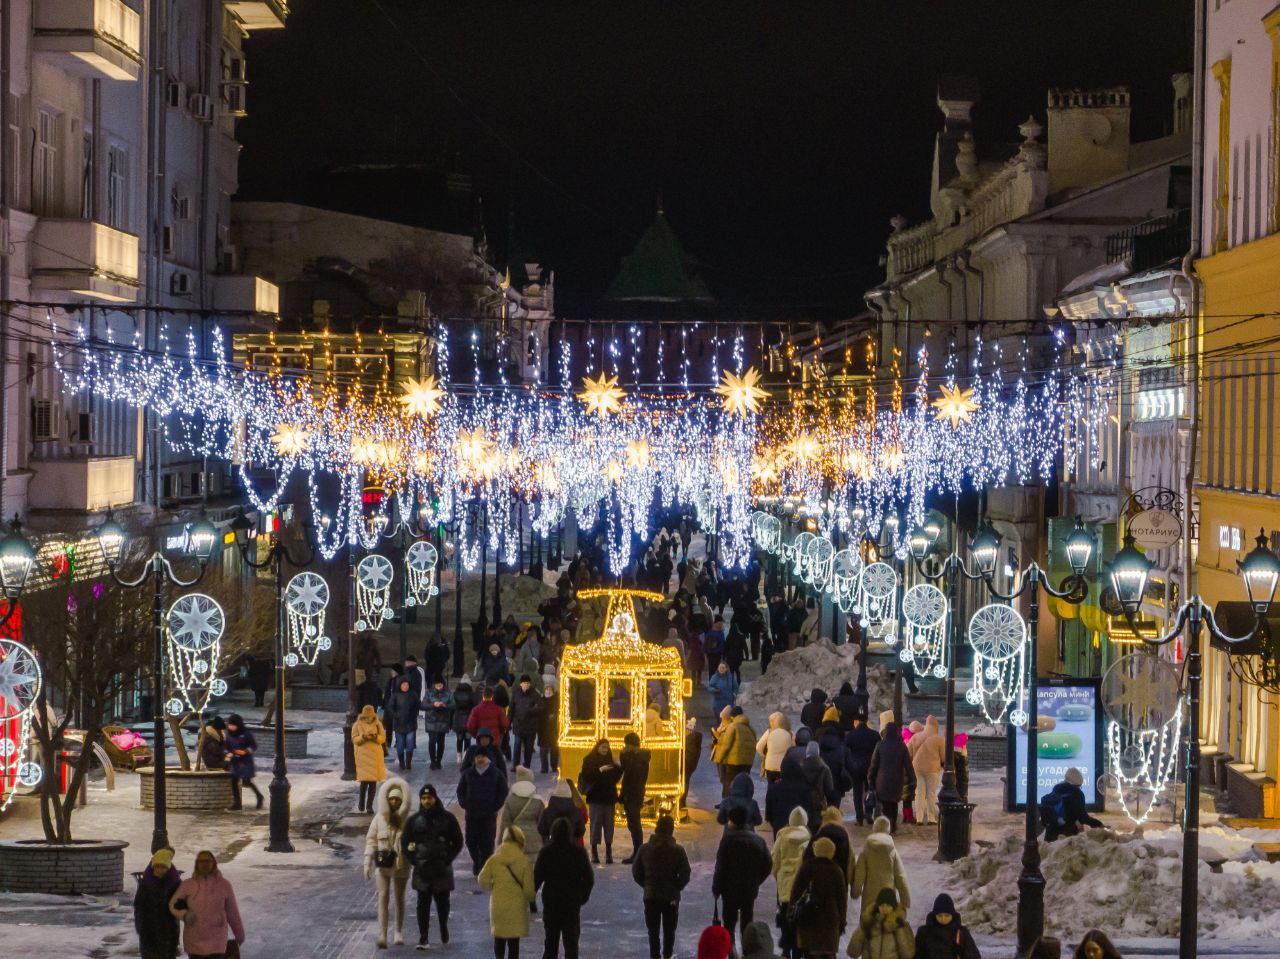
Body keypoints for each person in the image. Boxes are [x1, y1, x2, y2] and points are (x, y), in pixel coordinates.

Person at [401, 783, 463, 951]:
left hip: (441, 869)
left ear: (435, 798)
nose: (426, 801)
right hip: (422, 870)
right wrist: (414, 860)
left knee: (443, 903)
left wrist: (448, 859)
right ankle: (423, 937)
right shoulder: (414, 821)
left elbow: (458, 841)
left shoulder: (447, 818)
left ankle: (443, 925)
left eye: (429, 798)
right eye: (423, 798)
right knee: (422, 905)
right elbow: (405, 843)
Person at [711, 805, 772, 950]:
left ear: (731, 821)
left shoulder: (727, 841)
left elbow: (720, 867)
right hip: (749, 889)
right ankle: (747, 950)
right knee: (747, 920)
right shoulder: (758, 841)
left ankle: (731, 950)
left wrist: (717, 888)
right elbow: (768, 864)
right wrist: (757, 881)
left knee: (729, 923)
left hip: (729, 889)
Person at [631, 813, 691, 959]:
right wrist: (677, 886)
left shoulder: (644, 849)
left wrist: (647, 885)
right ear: (671, 830)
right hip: (671, 896)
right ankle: (667, 955)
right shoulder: (678, 850)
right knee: (670, 930)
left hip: (651, 895)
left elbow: (636, 872)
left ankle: (655, 955)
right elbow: (685, 873)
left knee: (653, 931)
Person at [363, 777, 413, 948]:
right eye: (391, 798)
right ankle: (382, 933)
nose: (394, 802)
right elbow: (371, 840)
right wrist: (367, 861)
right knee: (383, 897)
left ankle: (398, 931)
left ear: (402, 800)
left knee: (399, 898)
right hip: (383, 866)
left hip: (402, 865)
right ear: (386, 799)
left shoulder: (408, 820)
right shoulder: (379, 819)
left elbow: (415, 841)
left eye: (397, 799)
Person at [535, 816, 594, 959]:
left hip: (551, 902)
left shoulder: (546, 852)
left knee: (550, 943)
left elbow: (537, 878)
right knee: (571, 944)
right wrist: (582, 898)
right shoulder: (578, 852)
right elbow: (589, 879)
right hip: (571, 904)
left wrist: (531, 897)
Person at [168, 850, 244, 959]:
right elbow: (173, 904)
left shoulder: (224, 885)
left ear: (214, 863)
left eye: (208, 861)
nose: (205, 864)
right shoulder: (187, 885)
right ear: (197, 864)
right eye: (201, 861)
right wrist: (184, 915)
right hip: (194, 941)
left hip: (217, 942)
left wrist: (239, 934)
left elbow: (232, 912)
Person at [478, 826, 537, 959]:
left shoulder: (494, 859)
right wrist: (531, 900)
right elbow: (529, 890)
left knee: (499, 939)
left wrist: (492, 887)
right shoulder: (523, 861)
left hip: (498, 905)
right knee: (514, 943)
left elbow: (482, 879)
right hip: (517, 907)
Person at [789, 835, 848, 959]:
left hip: (809, 921)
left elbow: (795, 893)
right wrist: (842, 922)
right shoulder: (837, 871)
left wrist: (792, 914)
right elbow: (842, 901)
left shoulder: (806, 867)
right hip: (830, 923)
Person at [458, 748, 510, 874]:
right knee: (471, 841)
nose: (480, 759)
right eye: (477, 757)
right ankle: (477, 861)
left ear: (488, 758)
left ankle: (485, 867)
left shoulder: (495, 773)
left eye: (483, 757)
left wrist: (495, 806)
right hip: (472, 814)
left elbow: (503, 791)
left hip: (488, 815)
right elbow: (461, 790)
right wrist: (464, 803)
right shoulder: (468, 773)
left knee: (487, 842)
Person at [851, 816, 910, 923]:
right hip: (888, 896)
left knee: (869, 924)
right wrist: (905, 899)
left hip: (870, 895)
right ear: (888, 830)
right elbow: (900, 876)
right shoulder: (892, 851)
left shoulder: (866, 850)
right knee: (887, 925)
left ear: (874, 829)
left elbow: (860, 874)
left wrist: (856, 891)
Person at [770, 807, 810, 957]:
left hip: (785, 885)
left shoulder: (782, 837)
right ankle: (798, 951)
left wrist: (779, 877)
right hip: (801, 887)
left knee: (785, 919)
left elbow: (774, 862)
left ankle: (786, 950)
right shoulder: (808, 839)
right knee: (799, 920)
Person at [578, 738, 623, 864]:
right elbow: (586, 776)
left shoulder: (611, 761)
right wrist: (599, 770)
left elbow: (616, 778)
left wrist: (619, 767)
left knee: (609, 825)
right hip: (595, 797)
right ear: (597, 747)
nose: (604, 750)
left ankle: (609, 852)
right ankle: (594, 851)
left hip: (609, 797)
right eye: (602, 747)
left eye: (606, 748)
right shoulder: (589, 760)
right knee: (596, 825)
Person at [134, 848, 181, 959]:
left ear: (168, 868)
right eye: (157, 866)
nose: (159, 870)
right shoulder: (146, 883)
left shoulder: (174, 883)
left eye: (163, 867)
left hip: (168, 931)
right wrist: (139, 925)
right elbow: (139, 905)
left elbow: (180, 906)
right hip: (148, 931)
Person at [868, 721, 914, 832]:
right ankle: (892, 825)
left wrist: (870, 779)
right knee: (893, 804)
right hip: (897, 781)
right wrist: (912, 779)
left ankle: (887, 826)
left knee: (885, 804)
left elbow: (874, 765)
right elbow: (908, 765)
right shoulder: (902, 746)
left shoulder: (880, 745)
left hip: (882, 781)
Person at [498, 766, 546, 867]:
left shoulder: (510, 800)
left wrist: (500, 845)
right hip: (535, 840)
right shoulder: (538, 801)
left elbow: (505, 825)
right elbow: (543, 825)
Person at [846, 889, 914, 959]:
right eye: (881, 905)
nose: (884, 908)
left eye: (888, 905)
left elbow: (907, 955)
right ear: (877, 906)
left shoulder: (901, 925)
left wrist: (898, 927)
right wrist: (864, 927)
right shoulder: (869, 924)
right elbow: (852, 952)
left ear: (893, 906)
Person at [1040, 767, 1103, 841]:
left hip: (1050, 835)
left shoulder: (1056, 790)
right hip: (1066, 837)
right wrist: (1099, 824)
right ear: (1079, 783)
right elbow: (1083, 818)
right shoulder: (1076, 793)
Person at [913, 893, 981, 959]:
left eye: (947, 915)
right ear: (934, 915)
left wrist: (961, 952)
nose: (943, 919)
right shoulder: (924, 932)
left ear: (952, 915)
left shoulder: (961, 932)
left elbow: (975, 957)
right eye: (939, 916)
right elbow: (916, 955)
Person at [766, 756, 819, 837]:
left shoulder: (774, 788)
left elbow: (769, 813)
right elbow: (811, 810)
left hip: (780, 827)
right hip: (801, 827)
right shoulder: (806, 788)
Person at [619, 731, 651, 863]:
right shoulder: (641, 757)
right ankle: (638, 851)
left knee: (634, 824)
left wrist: (623, 755)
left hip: (633, 794)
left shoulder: (637, 759)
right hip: (635, 794)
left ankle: (638, 852)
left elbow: (629, 771)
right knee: (633, 823)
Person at [907, 715, 945, 826]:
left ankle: (919, 818)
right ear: (935, 726)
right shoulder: (939, 739)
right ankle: (931, 818)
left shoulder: (915, 737)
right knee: (931, 794)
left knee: (919, 793)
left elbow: (908, 753)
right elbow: (943, 758)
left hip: (917, 768)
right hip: (932, 769)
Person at [711, 706, 756, 797]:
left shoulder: (733, 727)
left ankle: (729, 804)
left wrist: (719, 758)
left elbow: (726, 745)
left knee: (730, 783)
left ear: (733, 716)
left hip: (734, 761)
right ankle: (744, 801)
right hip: (747, 762)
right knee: (744, 783)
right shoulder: (750, 728)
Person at [845, 710, 880, 825]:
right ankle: (869, 813)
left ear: (856, 721)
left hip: (855, 767)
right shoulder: (874, 735)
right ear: (866, 721)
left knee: (857, 792)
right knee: (869, 790)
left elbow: (846, 750)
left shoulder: (850, 735)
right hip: (870, 767)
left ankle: (859, 818)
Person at [352, 704, 389, 812]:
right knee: (365, 782)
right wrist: (363, 737)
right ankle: (362, 804)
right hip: (363, 756)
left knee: (372, 782)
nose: (368, 717)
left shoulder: (378, 724)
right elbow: (354, 739)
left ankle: (368, 806)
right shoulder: (357, 724)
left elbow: (382, 738)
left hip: (374, 755)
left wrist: (375, 737)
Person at [223, 714, 261, 810]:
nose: (231, 727)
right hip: (235, 761)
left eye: (233, 725)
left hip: (245, 761)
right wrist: (227, 753)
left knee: (246, 782)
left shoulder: (246, 733)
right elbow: (226, 747)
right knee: (234, 781)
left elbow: (254, 746)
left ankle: (259, 796)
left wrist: (245, 751)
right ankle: (237, 803)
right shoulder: (228, 734)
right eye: (229, 725)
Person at [509, 675, 544, 771]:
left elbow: (541, 708)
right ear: (521, 684)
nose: (526, 685)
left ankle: (526, 765)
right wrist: (509, 723)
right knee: (517, 746)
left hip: (530, 727)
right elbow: (511, 709)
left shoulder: (535, 694)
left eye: (528, 683)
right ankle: (515, 765)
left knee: (528, 748)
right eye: (524, 683)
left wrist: (531, 710)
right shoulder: (516, 694)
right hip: (518, 725)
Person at [539, 779, 586, 844]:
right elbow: (581, 830)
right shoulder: (576, 811)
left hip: (552, 848)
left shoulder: (547, 812)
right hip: (572, 847)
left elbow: (541, 829)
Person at [388, 677, 421, 770]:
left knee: (410, 744)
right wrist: (396, 715)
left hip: (411, 723)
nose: (405, 686)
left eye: (407, 685)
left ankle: (408, 762)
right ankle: (402, 762)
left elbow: (418, 705)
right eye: (403, 685)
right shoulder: (395, 695)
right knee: (400, 744)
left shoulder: (413, 694)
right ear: (400, 685)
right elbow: (390, 708)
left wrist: (414, 713)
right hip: (399, 724)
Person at [421, 678, 454, 771]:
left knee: (441, 742)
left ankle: (438, 761)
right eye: (437, 685)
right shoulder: (429, 693)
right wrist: (433, 704)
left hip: (443, 721)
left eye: (440, 685)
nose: (439, 687)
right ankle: (432, 761)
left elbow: (454, 705)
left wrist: (445, 705)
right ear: (434, 685)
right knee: (432, 742)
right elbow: (423, 705)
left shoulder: (448, 693)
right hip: (431, 721)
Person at [818, 725, 853, 808]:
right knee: (834, 810)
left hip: (820, 785)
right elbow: (851, 767)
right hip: (837, 785)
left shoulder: (818, 749)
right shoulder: (843, 749)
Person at [757, 711, 793, 783]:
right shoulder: (790, 733)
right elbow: (793, 749)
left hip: (770, 766)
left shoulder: (769, 732)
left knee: (770, 789)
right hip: (784, 766)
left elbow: (758, 747)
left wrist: (766, 755)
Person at [798, 741, 834, 814]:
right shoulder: (825, 768)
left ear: (807, 752)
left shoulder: (800, 767)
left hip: (803, 805)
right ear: (818, 752)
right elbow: (830, 789)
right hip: (819, 805)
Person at [539, 679, 560, 775]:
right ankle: (544, 767)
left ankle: (554, 766)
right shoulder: (541, 700)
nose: (548, 690)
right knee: (543, 749)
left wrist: (554, 715)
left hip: (553, 727)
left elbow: (558, 711)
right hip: (542, 727)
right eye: (546, 689)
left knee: (554, 748)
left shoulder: (556, 700)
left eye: (549, 689)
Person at [452, 680, 477, 762]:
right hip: (468, 720)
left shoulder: (455, 695)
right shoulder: (472, 696)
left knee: (459, 739)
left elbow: (452, 708)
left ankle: (459, 756)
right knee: (467, 739)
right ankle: (466, 756)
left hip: (458, 720)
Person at [682, 718, 702, 807]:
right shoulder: (695, 739)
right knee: (686, 781)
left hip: (686, 764)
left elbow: (688, 755)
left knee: (684, 781)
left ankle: (682, 801)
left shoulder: (689, 739)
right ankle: (682, 801)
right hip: (691, 765)